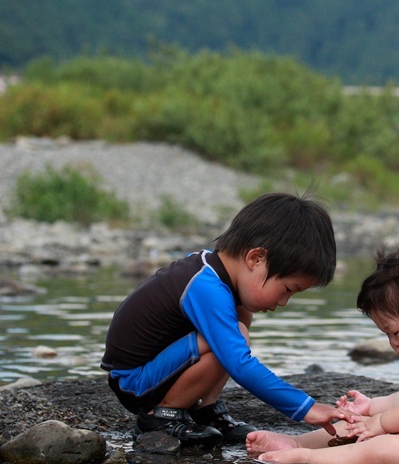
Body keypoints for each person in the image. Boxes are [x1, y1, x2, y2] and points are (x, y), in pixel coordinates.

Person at [101, 191, 350, 448]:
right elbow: (239, 364)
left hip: (157, 368)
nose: (284, 302)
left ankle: (203, 409)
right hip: (135, 383)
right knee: (234, 338)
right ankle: (160, 417)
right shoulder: (206, 287)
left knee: (239, 317)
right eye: (287, 289)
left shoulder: (211, 268)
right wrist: (305, 407)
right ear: (256, 258)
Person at [247, 236, 399, 464]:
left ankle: (308, 457)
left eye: (395, 332)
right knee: (353, 426)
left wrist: (380, 423)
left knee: (384, 447)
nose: (392, 343)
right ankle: (298, 443)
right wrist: (371, 407)